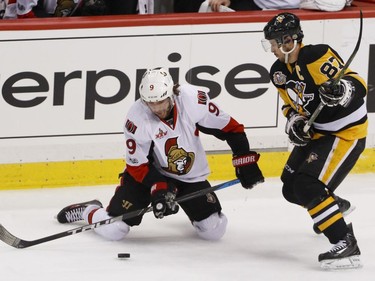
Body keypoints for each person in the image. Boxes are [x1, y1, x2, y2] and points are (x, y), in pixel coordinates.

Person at [56, 67, 264, 242]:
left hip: (187, 176)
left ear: (171, 94)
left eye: (161, 101)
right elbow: (137, 166)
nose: (156, 108)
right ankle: (89, 210)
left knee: (214, 230)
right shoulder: (136, 118)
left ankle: (186, 203)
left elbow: (231, 128)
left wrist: (244, 161)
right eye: (150, 103)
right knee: (114, 230)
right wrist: (160, 188)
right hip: (149, 176)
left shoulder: (193, 100)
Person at [262, 12, 367, 269]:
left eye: (274, 43)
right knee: (290, 187)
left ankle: (346, 242)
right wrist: (295, 123)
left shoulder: (317, 56)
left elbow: (358, 84)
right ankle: (333, 205)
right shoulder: (278, 72)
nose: (272, 49)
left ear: (289, 41)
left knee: (307, 185)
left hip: (345, 132)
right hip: (319, 133)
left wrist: (341, 91)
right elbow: (290, 107)